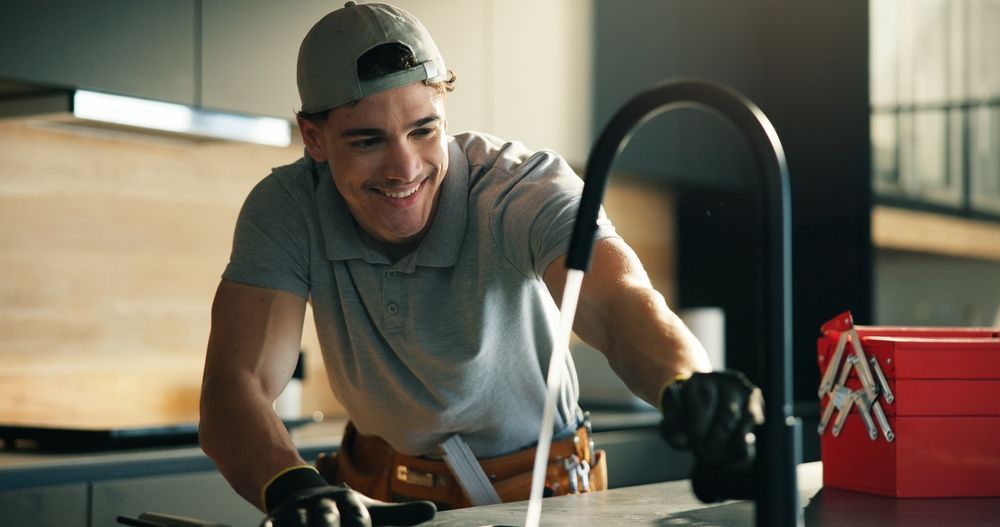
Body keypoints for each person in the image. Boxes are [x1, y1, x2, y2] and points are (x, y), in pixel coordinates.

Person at [199, 2, 762, 526]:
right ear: (314, 138)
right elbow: (237, 386)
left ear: (445, 110)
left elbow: (620, 305)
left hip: (542, 496)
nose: (404, 169)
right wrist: (291, 485)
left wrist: (689, 385)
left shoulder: (524, 187)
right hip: (376, 496)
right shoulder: (288, 208)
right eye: (368, 141)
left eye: (424, 130)